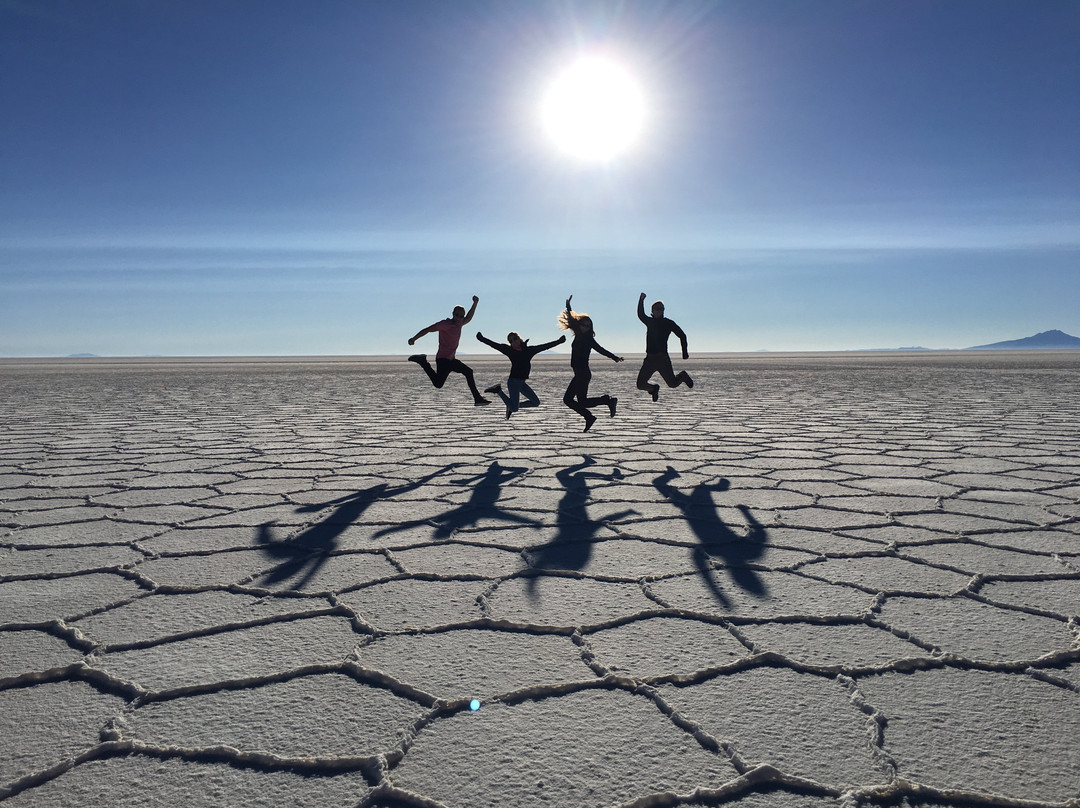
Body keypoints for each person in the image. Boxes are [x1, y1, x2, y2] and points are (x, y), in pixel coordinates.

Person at [408, 296, 491, 405]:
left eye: (461, 316)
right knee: (438, 384)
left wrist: (475, 303)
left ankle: (477, 399)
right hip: (443, 359)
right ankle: (423, 362)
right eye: (457, 315)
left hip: (451, 360)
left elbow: (469, 317)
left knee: (468, 372)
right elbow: (428, 329)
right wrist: (414, 339)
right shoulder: (445, 324)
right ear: (453, 314)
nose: (459, 318)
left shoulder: (460, 324)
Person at [558, 295, 623, 432]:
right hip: (579, 374)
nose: (585, 327)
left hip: (583, 373)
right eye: (583, 325)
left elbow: (601, 350)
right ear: (580, 325)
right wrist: (568, 306)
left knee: (571, 400)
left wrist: (614, 357)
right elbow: (570, 319)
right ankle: (601, 406)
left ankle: (602, 406)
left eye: (588, 326)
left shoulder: (588, 339)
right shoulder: (578, 333)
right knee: (577, 401)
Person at [477, 330, 566, 419]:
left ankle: (510, 405)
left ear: (519, 339)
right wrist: (482, 339)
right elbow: (495, 345)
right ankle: (498, 391)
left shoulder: (528, 351)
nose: (514, 342)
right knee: (514, 409)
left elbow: (544, 347)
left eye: (515, 339)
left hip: (522, 383)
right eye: (511, 341)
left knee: (535, 402)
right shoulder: (510, 351)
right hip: (513, 382)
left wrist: (559, 341)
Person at [636, 292, 693, 402]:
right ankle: (654, 388)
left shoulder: (668, 323)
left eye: (661, 309)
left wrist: (684, 352)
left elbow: (682, 335)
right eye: (656, 309)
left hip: (662, 359)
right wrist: (641, 300)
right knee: (640, 384)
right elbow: (640, 314)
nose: (659, 311)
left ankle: (683, 376)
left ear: (663, 310)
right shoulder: (650, 322)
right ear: (652, 311)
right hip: (650, 359)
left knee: (672, 384)